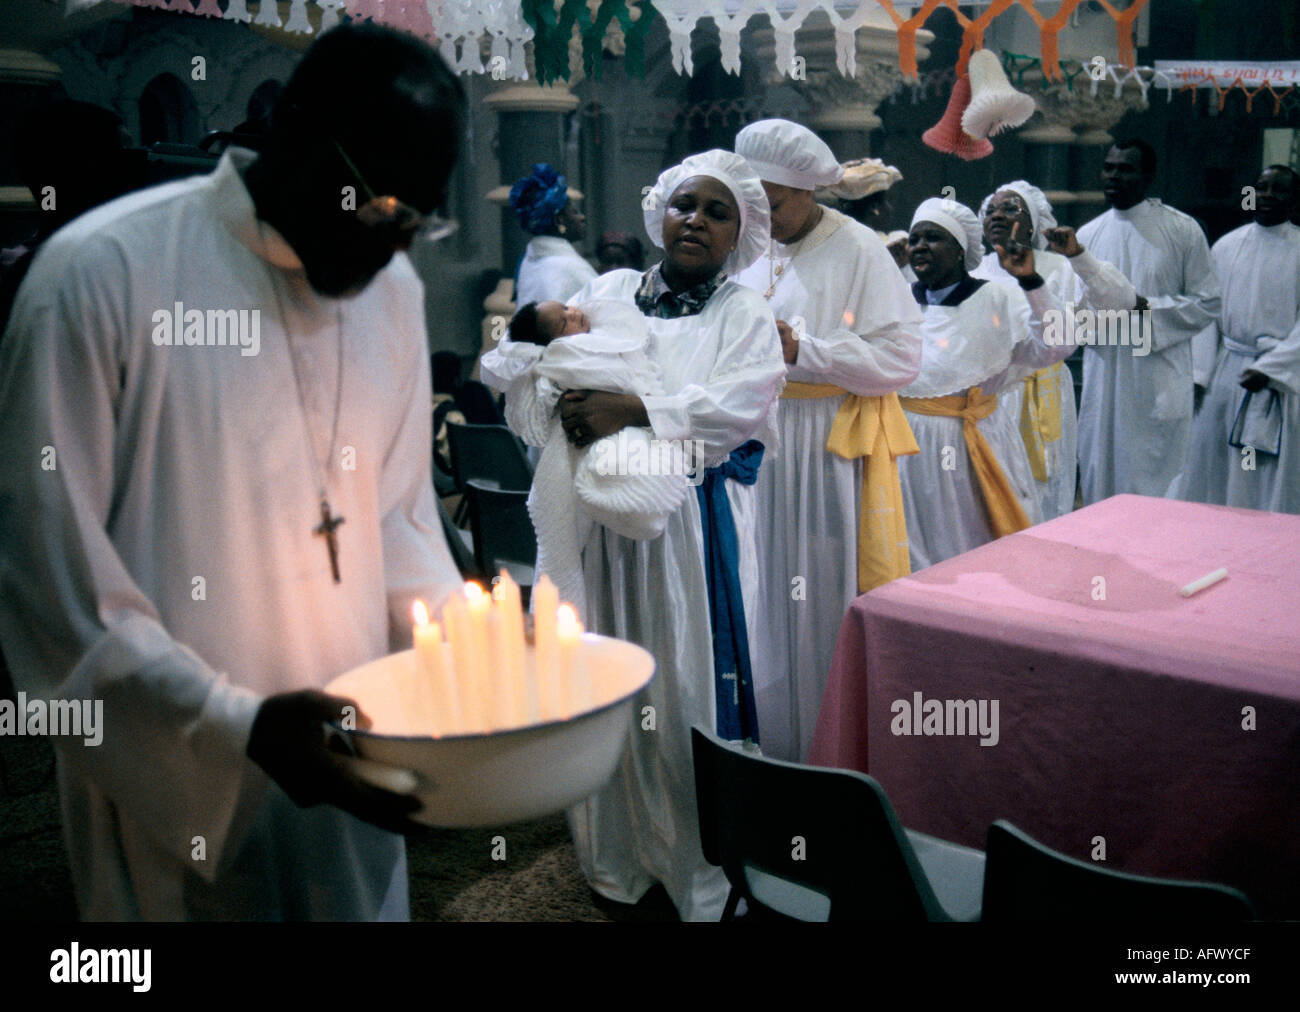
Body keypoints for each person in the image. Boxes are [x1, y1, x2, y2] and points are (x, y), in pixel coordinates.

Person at [0, 23, 465, 921]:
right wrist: (238, 728)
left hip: (352, 742)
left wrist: (457, 660)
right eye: (376, 207)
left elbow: (397, 520)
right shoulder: (99, 279)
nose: (392, 247)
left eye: (417, 221)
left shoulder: (392, 291)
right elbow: (50, 594)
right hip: (172, 777)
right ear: (289, 132)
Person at [483, 150, 784, 921]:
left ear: (736, 236)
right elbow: (550, 355)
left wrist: (635, 412)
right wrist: (569, 408)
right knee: (605, 680)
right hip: (595, 512)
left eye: (719, 214)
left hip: (682, 524)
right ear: (662, 213)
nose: (697, 221)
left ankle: (691, 866)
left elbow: (740, 405)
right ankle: (614, 851)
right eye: (687, 204)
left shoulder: (740, 314)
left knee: (681, 687)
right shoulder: (612, 291)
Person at [733, 119, 923, 762]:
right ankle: (763, 745)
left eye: (774, 202)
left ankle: (826, 751)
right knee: (756, 593)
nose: (761, 216)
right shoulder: (751, 243)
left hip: (822, 448)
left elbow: (902, 359)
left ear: (808, 192)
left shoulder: (860, 248)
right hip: (752, 438)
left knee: (812, 596)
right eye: (750, 202)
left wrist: (805, 350)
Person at [896, 198, 1075, 568]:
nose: (920, 247)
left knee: (971, 552)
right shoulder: (896, 299)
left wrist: (1030, 280)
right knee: (911, 556)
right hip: (902, 449)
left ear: (961, 250)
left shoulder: (998, 296)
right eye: (914, 239)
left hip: (970, 445)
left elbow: (1057, 344)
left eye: (934, 238)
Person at [495, 298, 691, 612]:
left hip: (616, 421)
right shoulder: (566, 353)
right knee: (564, 531)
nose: (574, 314)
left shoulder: (596, 330)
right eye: (563, 322)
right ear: (554, 341)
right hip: (585, 432)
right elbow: (610, 375)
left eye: (567, 308)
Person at [974, 181, 1136, 520]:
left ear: (1033, 222)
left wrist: (1079, 256)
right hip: (990, 393)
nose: (997, 216)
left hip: (1044, 392)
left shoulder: (1059, 267)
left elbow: (1121, 301)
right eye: (990, 211)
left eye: (1010, 209)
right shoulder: (973, 271)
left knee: (1042, 490)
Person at [1075, 139, 1221, 503]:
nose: (1114, 176)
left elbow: (1209, 302)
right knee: (1100, 472)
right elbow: (1073, 308)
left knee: (1155, 480)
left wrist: (1143, 309)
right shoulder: (1087, 236)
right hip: (1104, 372)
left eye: (1126, 169)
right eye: (1109, 167)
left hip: (1157, 372)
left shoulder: (1182, 230)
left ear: (1149, 175)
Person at [1183, 165, 1300, 514]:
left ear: (1294, 199)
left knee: (1259, 470)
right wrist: (1199, 376)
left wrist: (1271, 369)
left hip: (1279, 378)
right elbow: (1208, 314)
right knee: (1218, 463)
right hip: (1227, 372)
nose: (1267, 196)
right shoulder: (1226, 246)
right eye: (1261, 188)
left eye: (1278, 190)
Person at [509, 163, 597, 307]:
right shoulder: (570, 267)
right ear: (559, 220)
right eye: (574, 212)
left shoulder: (529, 261)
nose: (582, 217)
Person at [825, 155, 910, 269]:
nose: (890, 209)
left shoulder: (831, 244)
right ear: (874, 208)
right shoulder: (893, 247)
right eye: (886, 202)